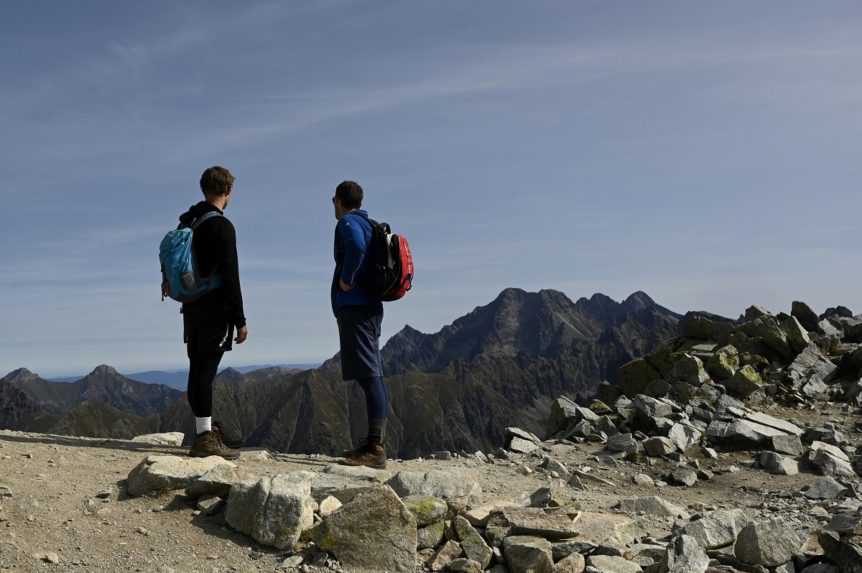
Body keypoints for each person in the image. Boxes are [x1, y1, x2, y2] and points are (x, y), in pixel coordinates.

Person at [176, 166, 248, 459]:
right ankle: (205, 438)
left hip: (192, 306)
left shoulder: (188, 221)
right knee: (206, 372)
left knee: (197, 368)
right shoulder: (221, 226)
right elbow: (231, 275)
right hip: (216, 308)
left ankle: (203, 430)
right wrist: (240, 319)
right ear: (228, 191)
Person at [331, 180, 390, 469]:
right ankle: (371, 443)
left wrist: (346, 279)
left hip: (356, 307)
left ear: (339, 201)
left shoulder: (348, 224)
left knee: (369, 373)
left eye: (334, 201)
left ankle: (375, 447)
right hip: (369, 307)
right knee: (371, 371)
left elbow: (354, 247)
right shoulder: (370, 224)